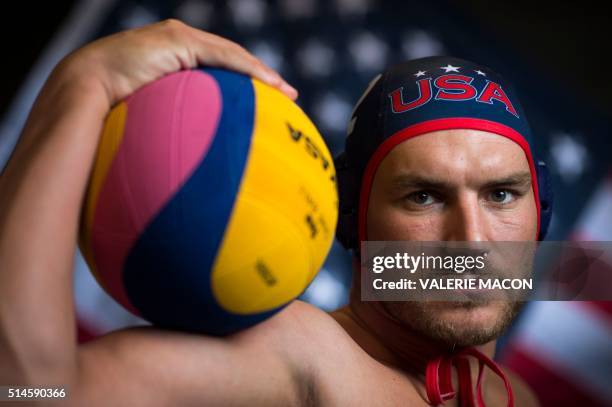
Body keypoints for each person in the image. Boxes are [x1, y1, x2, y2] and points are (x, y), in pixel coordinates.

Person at [0, 20, 540, 406]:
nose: (471, 240)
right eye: (423, 196)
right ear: (351, 222)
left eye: (501, 194)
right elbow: (32, 392)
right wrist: (85, 81)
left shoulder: (513, 396)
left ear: (542, 214)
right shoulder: (301, 358)